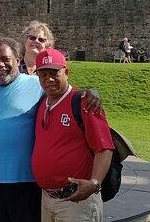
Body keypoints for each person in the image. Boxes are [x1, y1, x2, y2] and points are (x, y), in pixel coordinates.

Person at [0, 37, 101, 222]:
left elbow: (62, 91)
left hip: (24, 183)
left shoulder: (37, 85)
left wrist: (91, 92)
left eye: (5, 59)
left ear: (18, 60)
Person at [32, 48, 114, 222]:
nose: (49, 80)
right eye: (43, 75)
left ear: (66, 72)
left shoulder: (84, 102)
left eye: (55, 73)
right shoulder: (42, 103)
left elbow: (104, 148)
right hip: (47, 198)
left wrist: (94, 183)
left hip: (77, 201)